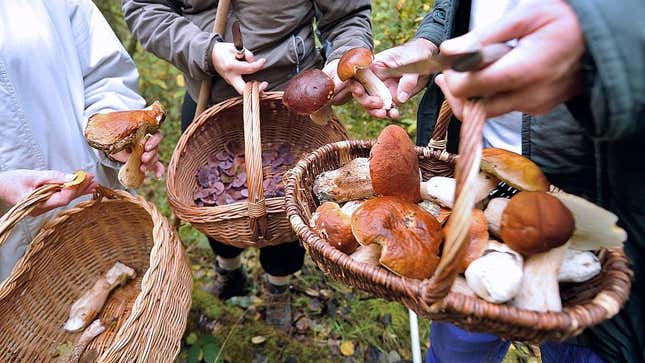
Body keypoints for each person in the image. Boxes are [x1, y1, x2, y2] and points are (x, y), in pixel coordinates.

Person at [352, 0, 645, 362]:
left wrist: (602, 49)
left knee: (575, 344)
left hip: (597, 207)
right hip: (474, 185)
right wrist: (429, 45)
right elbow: (456, 8)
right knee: (458, 343)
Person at [121, 0, 373, 330]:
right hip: (208, 97)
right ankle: (229, 270)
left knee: (289, 214)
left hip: (293, 100)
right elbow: (145, 8)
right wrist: (205, 52)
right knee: (214, 206)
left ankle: (278, 286)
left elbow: (348, 15)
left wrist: (343, 58)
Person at [0, 0, 163, 281]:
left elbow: (103, 74)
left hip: (94, 203)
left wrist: (117, 137)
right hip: (9, 250)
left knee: (131, 302)